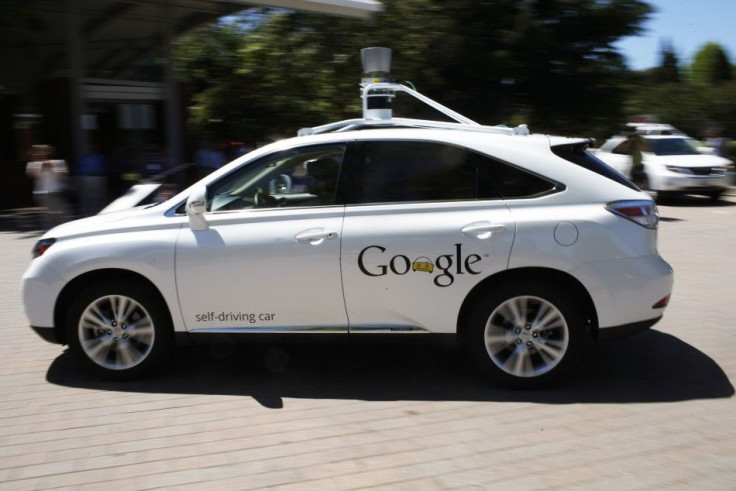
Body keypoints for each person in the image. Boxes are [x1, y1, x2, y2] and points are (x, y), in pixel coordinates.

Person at [25, 145, 70, 229]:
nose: (40, 154)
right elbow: (32, 174)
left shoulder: (59, 162)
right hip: (42, 193)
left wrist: (51, 167)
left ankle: (63, 230)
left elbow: (62, 176)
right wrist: (42, 165)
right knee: (48, 216)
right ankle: (49, 231)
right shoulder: (33, 164)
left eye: (43, 152)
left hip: (56, 192)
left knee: (63, 214)